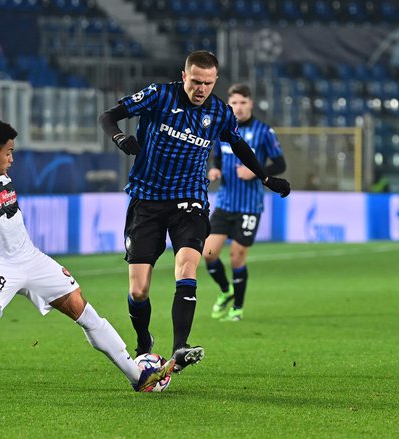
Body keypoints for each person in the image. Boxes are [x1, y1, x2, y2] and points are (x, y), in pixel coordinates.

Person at [0, 96, 174, 400]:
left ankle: (137, 376)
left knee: (84, 311)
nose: (12, 159)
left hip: (31, 258)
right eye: (8, 152)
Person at [98, 51, 290, 373]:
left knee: (187, 266)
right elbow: (108, 116)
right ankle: (144, 341)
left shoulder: (219, 111)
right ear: (184, 76)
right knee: (138, 289)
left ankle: (179, 349)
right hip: (147, 199)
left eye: (209, 83)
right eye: (197, 81)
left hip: (190, 200)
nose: (202, 89)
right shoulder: (159, 95)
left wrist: (266, 177)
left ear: (215, 81)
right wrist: (119, 138)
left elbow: (239, 144)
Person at [203, 83, 286, 322]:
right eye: (234, 103)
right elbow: (216, 157)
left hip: (249, 205)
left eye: (242, 102)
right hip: (225, 203)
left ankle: (237, 308)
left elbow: (280, 164)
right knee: (208, 253)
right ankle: (226, 290)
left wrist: (257, 173)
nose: (238, 108)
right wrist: (215, 170)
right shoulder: (223, 129)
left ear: (250, 103)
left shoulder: (264, 132)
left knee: (237, 257)